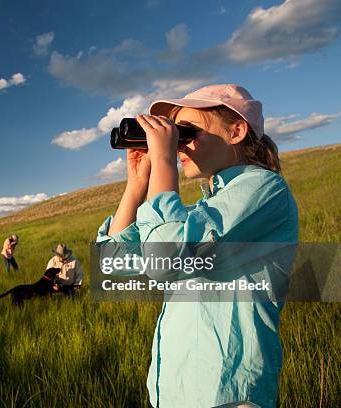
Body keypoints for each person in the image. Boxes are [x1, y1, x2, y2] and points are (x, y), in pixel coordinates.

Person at [96, 84, 298, 408]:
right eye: (177, 136)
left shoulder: (264, 188)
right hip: (176, 393)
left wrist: (163, 160)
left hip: (226, 395)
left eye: (186, 132)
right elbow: (115, 264)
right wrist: (136, 185)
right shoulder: (200, 213)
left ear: (236, 131)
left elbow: (163, 262)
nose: (179, 146)